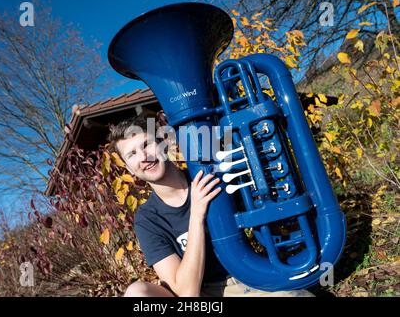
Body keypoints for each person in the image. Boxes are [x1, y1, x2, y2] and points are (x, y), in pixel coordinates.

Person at [107, 114, 314, 297]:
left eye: (146, 145)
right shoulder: (147, 219)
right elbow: (187, 293)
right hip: (204, 291)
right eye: (132, 154)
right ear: (129, 169)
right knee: (136, 293)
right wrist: (196, 215)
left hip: (249, 272)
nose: (143, 157)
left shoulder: (209, 176)